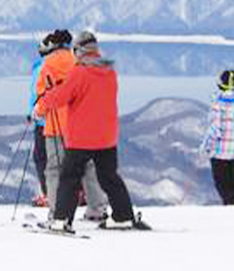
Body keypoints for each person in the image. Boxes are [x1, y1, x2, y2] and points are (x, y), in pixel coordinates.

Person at [40, 31, 149, 232]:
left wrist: (45, 100)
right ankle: (123, 216)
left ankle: (61, 220)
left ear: (79, 50)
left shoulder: (79, 72)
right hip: (107, 137)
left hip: (82, 137)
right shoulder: (109, 72)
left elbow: (60, 97)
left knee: (69, 178)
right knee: (109, 177)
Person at [33, 29, 108, 222]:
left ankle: (58, 214)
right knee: (89, 168)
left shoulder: (46, 65)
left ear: (51, 46)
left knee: (54, 170)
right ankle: (97, 209)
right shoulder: (80, 63)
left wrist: (37, 112)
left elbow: (44, 95)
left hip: (56, 126)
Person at [200, 70, 234, 205]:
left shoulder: (218, 105)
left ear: (221, 83)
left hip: (219, 152)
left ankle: (232, 210)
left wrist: (205, 147)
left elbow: (215, 128)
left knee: (222, 184)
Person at [28, 41, 48, 207]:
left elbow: (36, 93)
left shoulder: (41, 68)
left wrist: (32, 112)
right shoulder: (70, 63)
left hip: (43, 119)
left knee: (41, 158)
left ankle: (49, 194)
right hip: (66, 122)